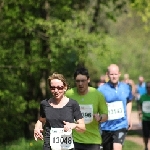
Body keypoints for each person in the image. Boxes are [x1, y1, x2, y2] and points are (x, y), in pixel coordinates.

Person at [34, 73, 86, 150]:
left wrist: (73, 125)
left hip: (67, 147)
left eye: (59, 88)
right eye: (53, 88)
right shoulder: (44, 104)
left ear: (65, 87)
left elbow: (83, 127)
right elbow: (41, 120)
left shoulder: (72, 104)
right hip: (49, 146)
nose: (56, 91)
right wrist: (37, 128)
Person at [66, 67, 108, 150]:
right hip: (74, 140)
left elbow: (106, 115)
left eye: (83, 80)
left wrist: (99, 118)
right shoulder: (69, 94)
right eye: (78, 81)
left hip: (93, 140)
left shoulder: (97, 95)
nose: (80, 84)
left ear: (88, 80)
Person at [97, 64, 133, 150]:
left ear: (119, 74)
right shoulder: (101, 90)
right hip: (106, 126)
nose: (114, 76)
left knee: (117, 147)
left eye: (115, 74)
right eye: (112, 74)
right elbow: (97, 105)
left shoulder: (126, 87)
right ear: (107, 74)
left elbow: (129, 101)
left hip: (121, 124)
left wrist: (128, 117)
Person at [139, 81, 150, 150]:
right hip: (145, 119)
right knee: (146, 135)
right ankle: (146, 147)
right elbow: (140, 106)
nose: (149, 88)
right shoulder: (143, 97)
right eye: (148, 87)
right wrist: (139, 113)